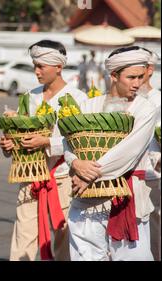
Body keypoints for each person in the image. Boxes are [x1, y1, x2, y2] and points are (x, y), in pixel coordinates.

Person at [65, 46, 156, 261]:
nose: (137, 83)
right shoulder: (89, 105)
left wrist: (90, 173)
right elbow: (68, 141)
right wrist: (76, 162)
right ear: (114, 75)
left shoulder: (145, 109)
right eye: (131, 77)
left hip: (127, 199)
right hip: (87, 201)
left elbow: (128, 151)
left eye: (140, 77)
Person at [0, 40, 87, 261]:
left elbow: (80, 143)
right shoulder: (30, 97)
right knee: (23, 237)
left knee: (64, 238)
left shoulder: (79, 98)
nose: (36, 71)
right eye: (34, 65)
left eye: (41, 66)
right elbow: (19, 135)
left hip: (63, 177)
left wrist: (47, 143)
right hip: (29, 175)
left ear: (58, 67)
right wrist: (11, 145)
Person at [139, 48, 161, 260]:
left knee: (155, 236)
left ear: (150, 70)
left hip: (152, 177)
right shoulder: (118, 101)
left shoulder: (159, 101)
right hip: (123, 178)